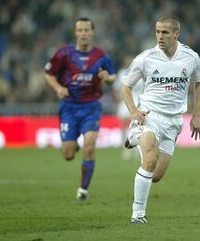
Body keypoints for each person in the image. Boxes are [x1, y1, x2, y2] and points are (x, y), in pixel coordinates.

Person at [121, 16, 200, 224]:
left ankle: (134, 138)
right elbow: (125, 86)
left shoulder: (191, 57)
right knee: (149, 159)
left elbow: (199, 83)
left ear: (176, 34)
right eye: (157, 31)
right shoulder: (145, 58)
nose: (160, 36)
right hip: (150, 116)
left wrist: (196, 116)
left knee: (156, 175)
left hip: (174, 121)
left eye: (165, 32)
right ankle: (138, 213)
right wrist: (133, 112)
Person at [44, 17, 116, 201]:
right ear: (75, 33)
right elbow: (49, 74)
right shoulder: (64, 54)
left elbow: (113, 76)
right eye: (80, 30)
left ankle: (83, 190)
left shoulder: (101, 56)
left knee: (90, 146)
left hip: (91, 107)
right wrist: (58, 88)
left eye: (87, 30)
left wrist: (106, 77)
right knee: (68, 154)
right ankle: (72, 145)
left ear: (93, 32)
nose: (84, 33)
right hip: (69, 107)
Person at [113, 56, 144, 160]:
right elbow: (117, 87)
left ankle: (136, 148)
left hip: (138, 101)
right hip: (125, 100)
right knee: (124, 124)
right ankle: (125, 148)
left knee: (136, 125)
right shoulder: (122, 72)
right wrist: (117, 97)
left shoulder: (141, 72)